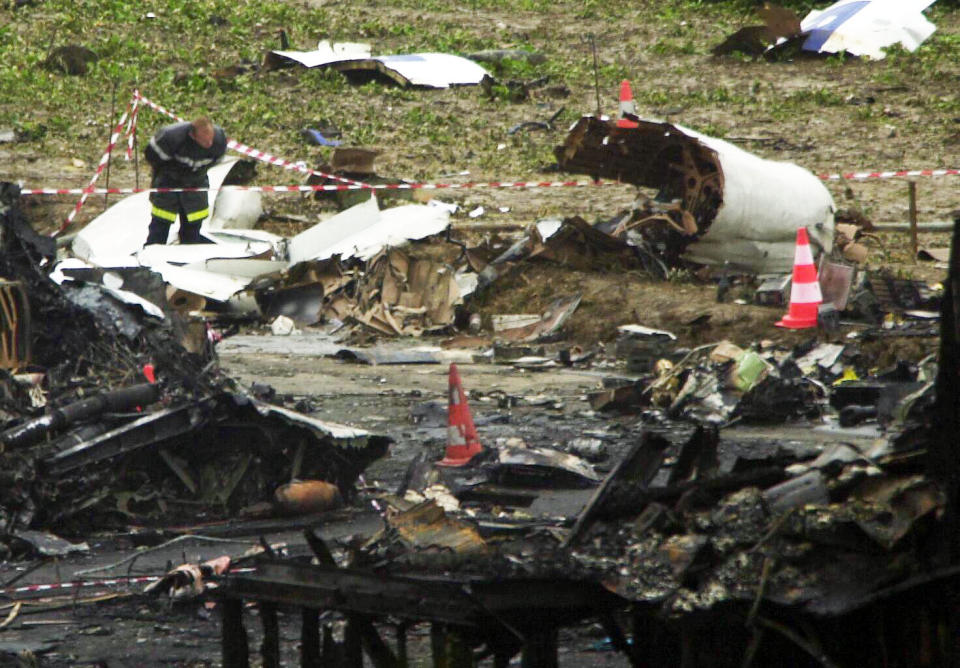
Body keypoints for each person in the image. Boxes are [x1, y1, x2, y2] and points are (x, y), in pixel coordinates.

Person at [143, 116, 226, 246]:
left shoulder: (219, 140)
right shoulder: (170, 137)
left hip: (196, 183)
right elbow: (152, 157)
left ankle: (189, 253)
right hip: (169, 182)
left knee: (193, 226)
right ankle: (152, 254)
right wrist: (172, 173)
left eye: (211, 139)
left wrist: (195, 174)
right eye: (205, 141)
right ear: (193, 136)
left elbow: (216, 160)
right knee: (160, 224)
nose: (210, 144)